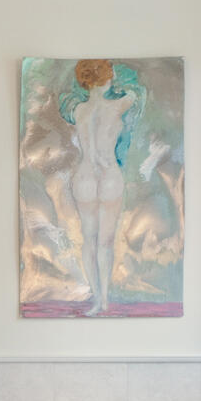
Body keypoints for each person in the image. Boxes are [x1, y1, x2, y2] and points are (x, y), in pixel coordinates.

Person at [60, 58, 142, 315]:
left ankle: (96, 299)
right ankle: (105, 299)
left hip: (84, 176)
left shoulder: (78, 110)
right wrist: (116, 83)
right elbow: (135, 91)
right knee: (105, 242)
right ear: (108, 77)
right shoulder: (119, 104)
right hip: (108, 175)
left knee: (89, 240)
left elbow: (69, 105)